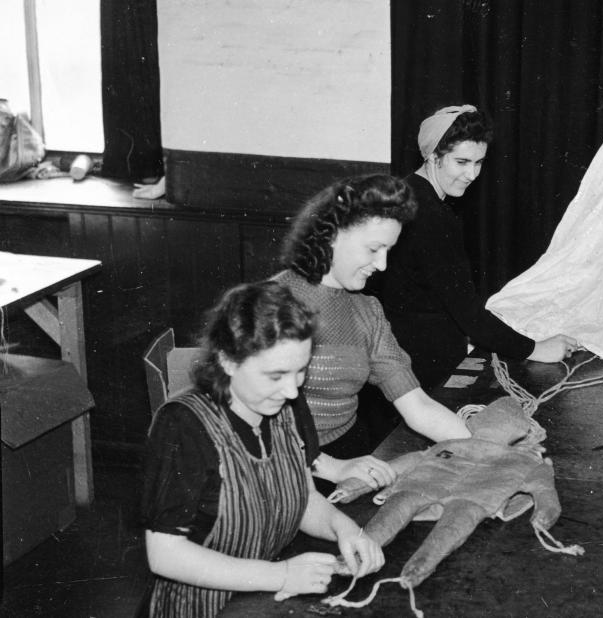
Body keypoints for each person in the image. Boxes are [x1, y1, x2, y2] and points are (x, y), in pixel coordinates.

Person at [139, 281, 384, 617]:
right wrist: (280, 575)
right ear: (227, 361)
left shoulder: (284, 404)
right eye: (276, 375)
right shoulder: (183, 425)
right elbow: (165, 554)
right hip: (197, 607)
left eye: (300, 371)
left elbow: (303, 498)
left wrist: (346, 530)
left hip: (259, 599)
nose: (292, 390)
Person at [275, 173, 471, 486]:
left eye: (388, 251)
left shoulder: (368, 311)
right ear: (332, 235)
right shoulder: (269, 303)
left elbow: (417, 405)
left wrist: (482, 451)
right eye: (373, 249)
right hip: (286, 466)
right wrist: (331, 469)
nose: (381, 265)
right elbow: (245, 423)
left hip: (348, 454)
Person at [377, 104, 576, 389]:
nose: (472, 174)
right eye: (461, 162)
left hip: (399, 353)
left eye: (479, 162)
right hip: (422, 367)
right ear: (434, 157)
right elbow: (469, 315)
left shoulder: (403, 193)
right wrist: (537, 349)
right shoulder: (433, 217)